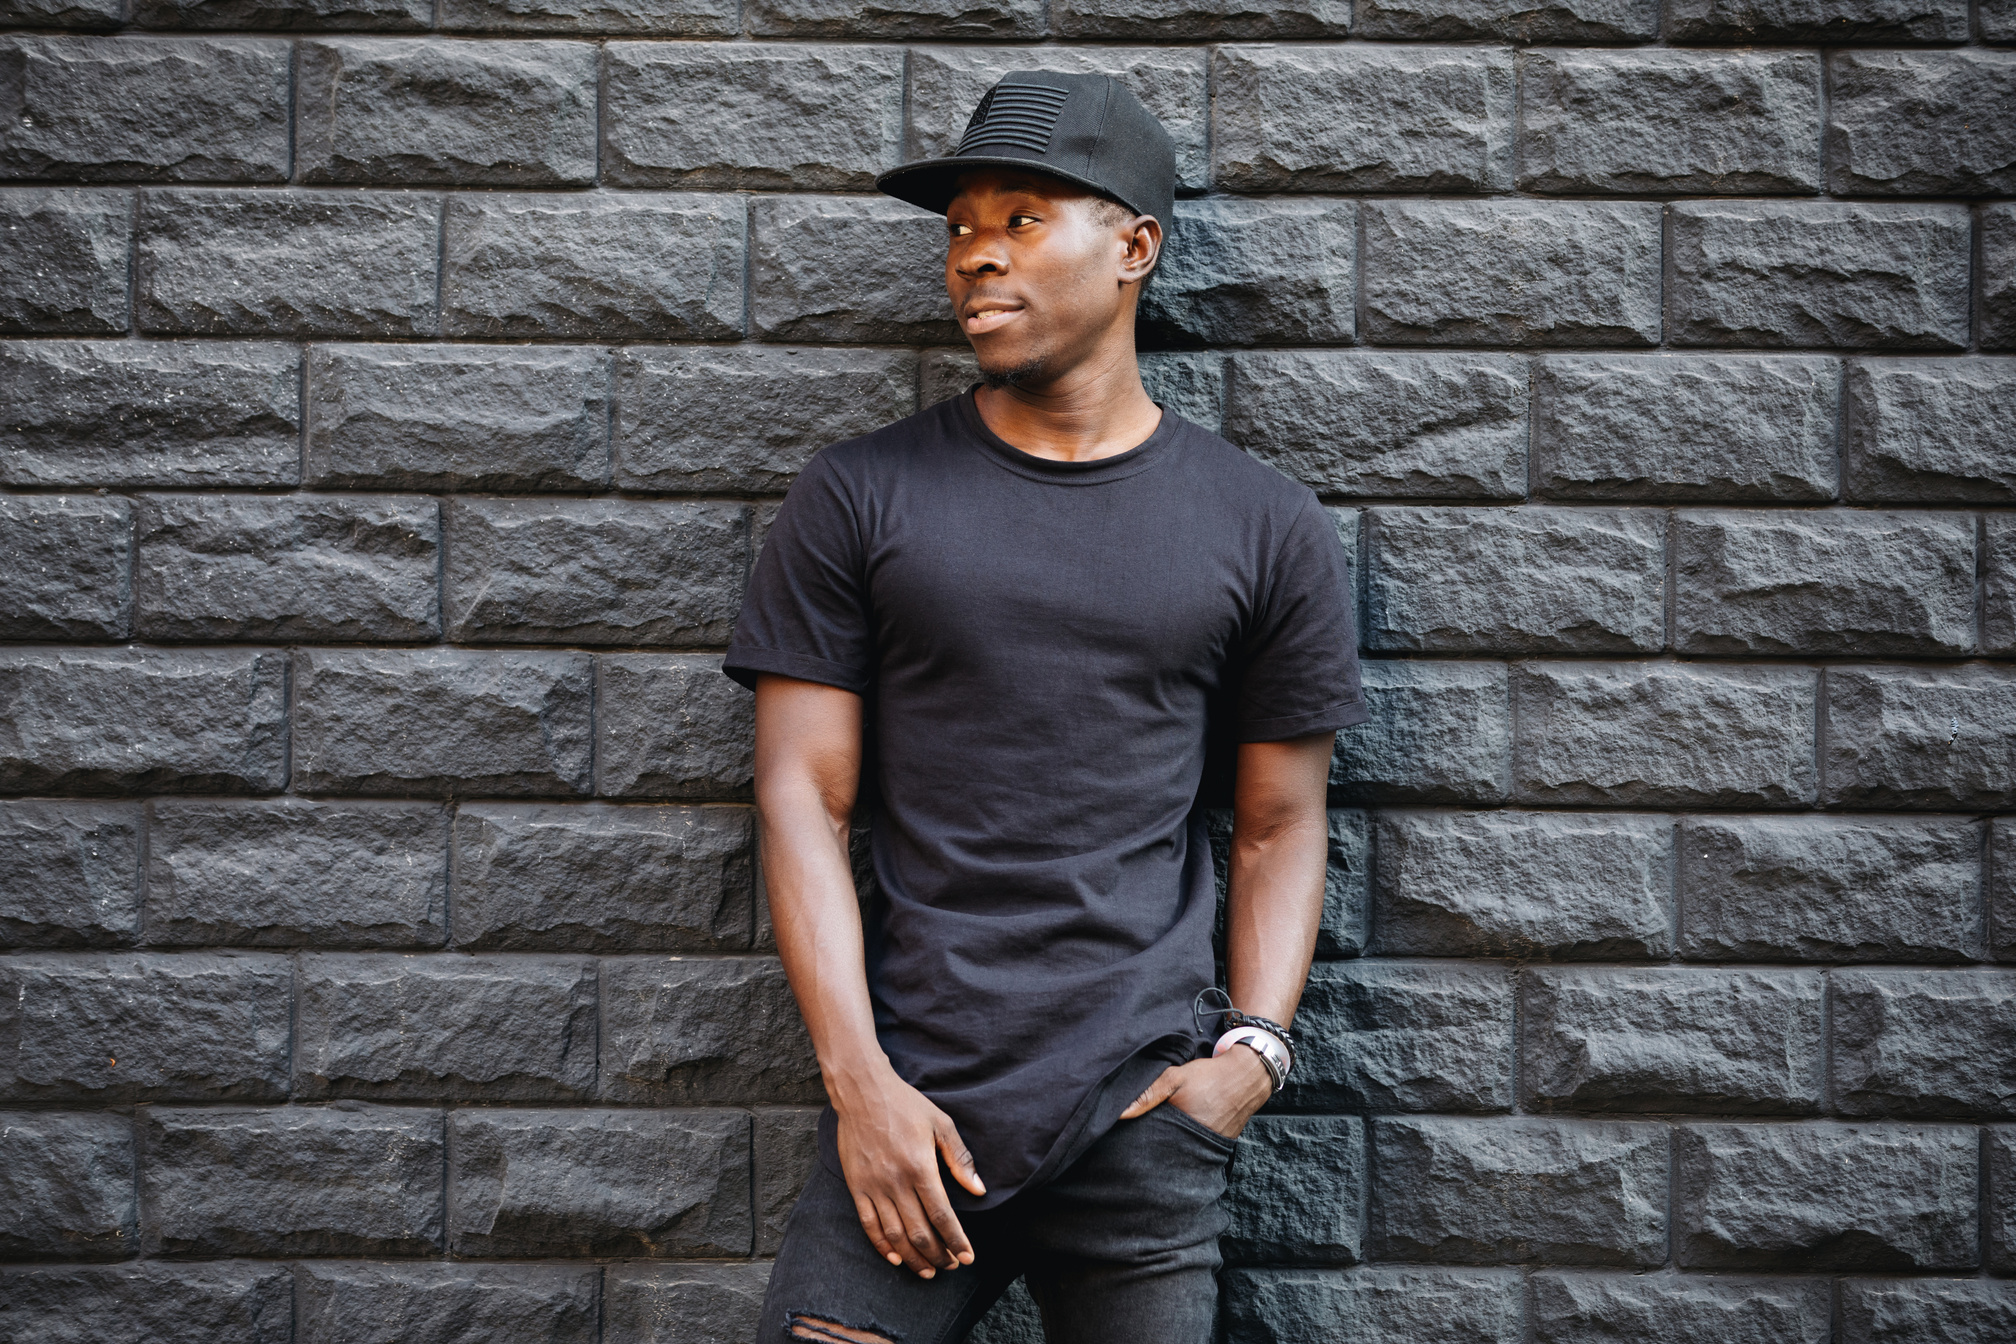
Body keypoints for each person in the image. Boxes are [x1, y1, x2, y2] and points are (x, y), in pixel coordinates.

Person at [723, 70, 1368, 1344]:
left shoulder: (1263, 525)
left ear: (1134, 247)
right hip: (912, 1107)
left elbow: (1283, 824)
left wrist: (1250, 1062)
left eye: (1022, 219)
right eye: (962, 227)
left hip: (1144, 1120)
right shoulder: (860, 497)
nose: (975, 257)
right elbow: (801, 794)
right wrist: (861, 1089)